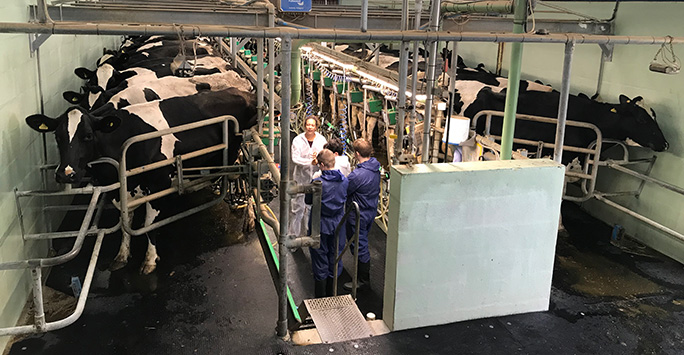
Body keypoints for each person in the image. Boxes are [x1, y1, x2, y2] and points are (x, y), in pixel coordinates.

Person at [306, 149, 348, 298]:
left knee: (319, 257)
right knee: (335, 255)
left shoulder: (317, 183)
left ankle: (319, 298)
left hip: (320, 223)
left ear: (322, 165)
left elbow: (308, 201)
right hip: (338, 223)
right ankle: (332, 294)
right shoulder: (345, 180)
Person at [343, 138, 381, 291]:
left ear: (356, 154)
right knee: (361, 241)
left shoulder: (357, 175)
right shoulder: (375, 167)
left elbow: (345, 190)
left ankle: (362, 281)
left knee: (359, 245)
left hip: (358, 215)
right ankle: (361, 277)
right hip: (370, 210)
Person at [290, 116, 327, 237]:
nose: (310, 127)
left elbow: (324, 155)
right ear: (304, 125)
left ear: (316, 127)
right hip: (300, 178)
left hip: (315, 178)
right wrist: (310, 162)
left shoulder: (321, 140)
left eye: (312, 125)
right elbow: (295, 158)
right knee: (297, 207)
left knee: (311, 208)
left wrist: (318, 158)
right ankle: (293, 236)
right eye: (308, 125)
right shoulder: (297, 140)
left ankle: (309, 233)